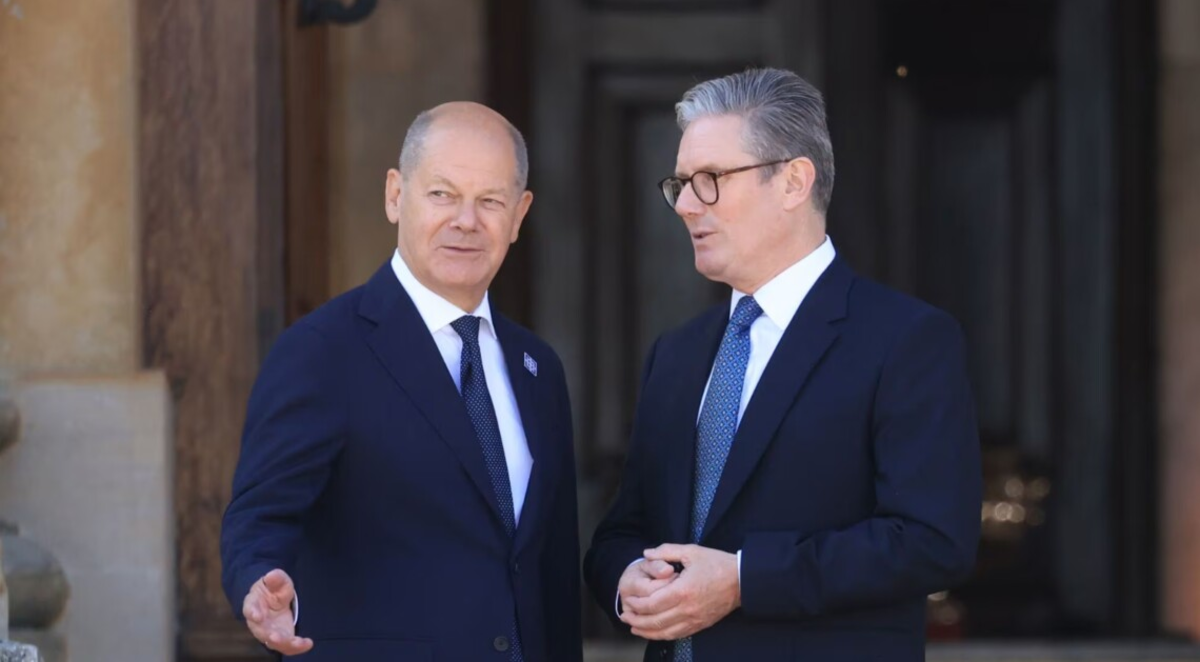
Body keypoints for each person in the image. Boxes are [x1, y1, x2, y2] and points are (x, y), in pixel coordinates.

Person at [584, 68, 982, 661]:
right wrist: (626, 581)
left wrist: (745, 580)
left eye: (710, 180)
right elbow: (624, 529)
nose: (686, 205)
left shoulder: (905, 340)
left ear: (794, 182)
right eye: (681, 184)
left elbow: (932, 539)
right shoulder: (676, 353)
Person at [220, 102, 582, 661]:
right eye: (442, 194)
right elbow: (261, 515)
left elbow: (551, 571)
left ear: (519, 215)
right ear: (395, 195)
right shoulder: (321, 351)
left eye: (490, 201)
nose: (466, 220)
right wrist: (259, 582)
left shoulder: (539, 367)